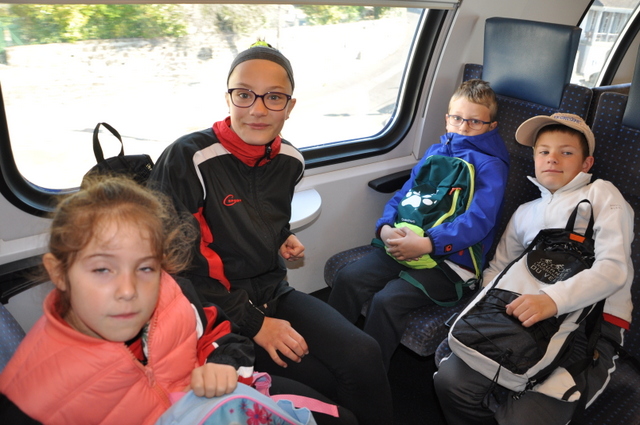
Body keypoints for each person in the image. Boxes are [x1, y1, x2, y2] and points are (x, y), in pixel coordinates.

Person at [148, 41, 393, 424]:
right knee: (327, 386)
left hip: (271, 291)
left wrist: (278, 237)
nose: (258, 109)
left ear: (289, 106)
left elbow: (262, 214)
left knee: (364, 353)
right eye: (245, 94)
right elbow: (175, 270)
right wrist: (255, 324)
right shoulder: (188, 159)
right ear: (228, 99)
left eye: (274, 97)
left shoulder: (289, 160)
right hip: (214, 309)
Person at [0, 176, 355, 425]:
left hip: (216, 400)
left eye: (145, 268)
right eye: (103, 270)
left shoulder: (173, 291)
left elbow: (220, 332)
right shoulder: (30, 401)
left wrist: (223, 362)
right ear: (60, 273)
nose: (129, 290)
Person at [434, 113, 634, 425]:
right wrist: (488, 312)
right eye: (543, 151)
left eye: (566, 152)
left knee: (524, 418)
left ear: (586, 163)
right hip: (519, 314)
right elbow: (498, 268)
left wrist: (552, 301)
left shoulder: (601, 194)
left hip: (591, 325)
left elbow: (613, 269)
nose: (552, 158)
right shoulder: (525, 212)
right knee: (451, 383)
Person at [327, 79, 510, 369]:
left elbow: (479, 221)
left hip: (451, 262)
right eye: (457, 118)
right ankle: (325, 352)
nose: (463, 127)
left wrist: (429, 244)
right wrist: (385, 228)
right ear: (447, 119)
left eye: (475, 122)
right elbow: (405, 195)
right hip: (409, 242)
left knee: (387, 301)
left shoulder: (490, 165)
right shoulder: (435, 153)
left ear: (491, 126)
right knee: (350, 278)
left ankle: (365, 375)